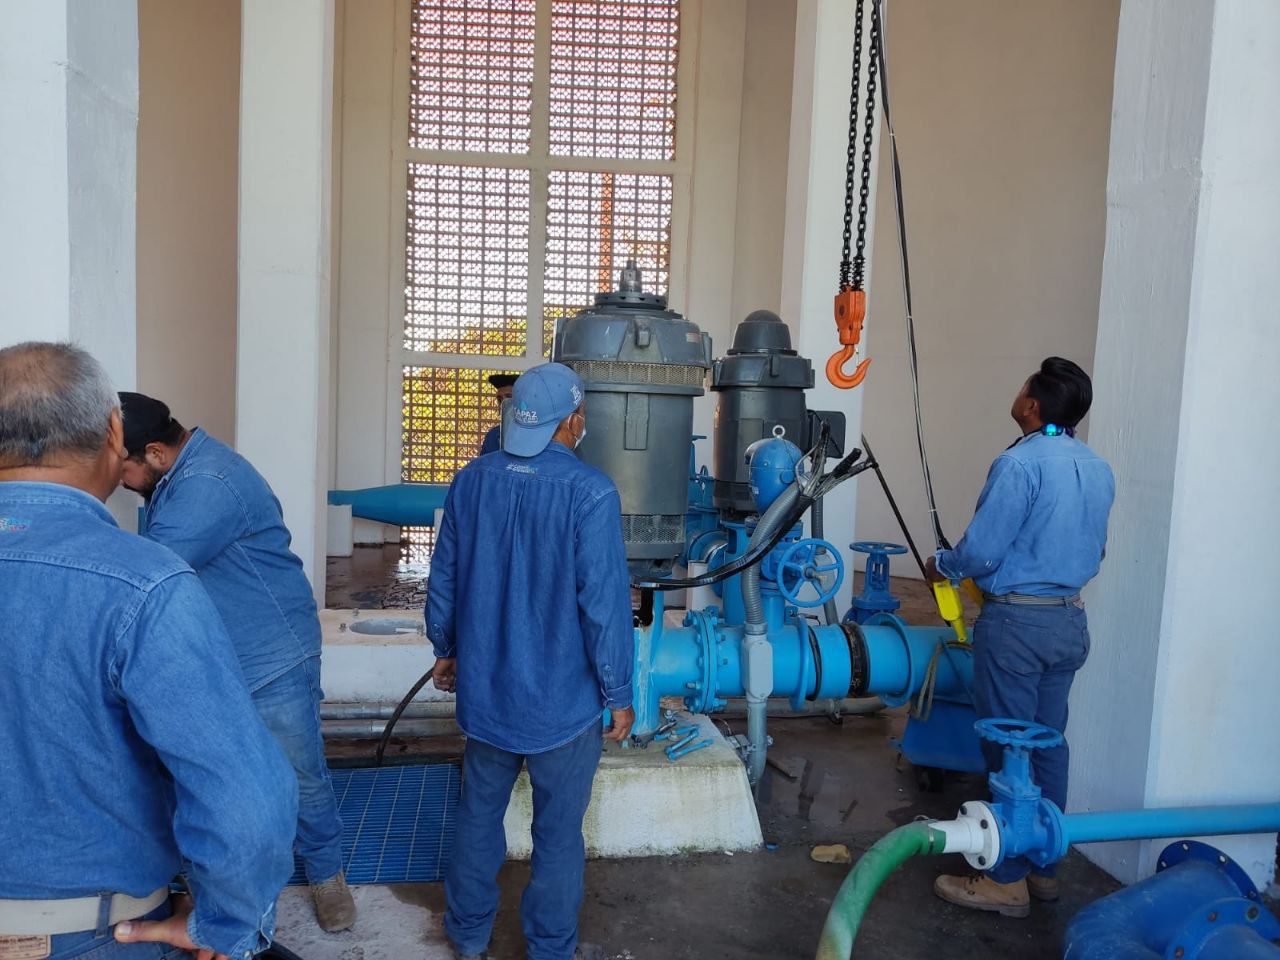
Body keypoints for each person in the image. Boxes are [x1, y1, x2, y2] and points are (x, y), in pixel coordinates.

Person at [0, 341, 297, 959]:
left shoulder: (199, 498)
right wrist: (226, 920)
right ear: (114, 432)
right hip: (97, 932)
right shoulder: (140, 582)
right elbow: (242, 799)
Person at [116, 391, 356, 933]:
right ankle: (219, 886)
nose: (118, 482)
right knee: (215, 782)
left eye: (121, 469)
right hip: (223, 659)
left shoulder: (207, 487)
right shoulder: (176, 476)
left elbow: (148, 569)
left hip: (270, 660)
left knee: (301, 777)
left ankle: (327, 876)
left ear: (154, 452)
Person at [427, 362, 634, 960]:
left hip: (486, 693)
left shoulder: (472, 480)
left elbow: (444, 576)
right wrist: (618, 692)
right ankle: (549, 948)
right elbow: (603, 605)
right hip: (562, 705)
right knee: (557, 836)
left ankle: (467, 936)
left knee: (477, 818)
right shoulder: (591, 492)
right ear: (573, 420)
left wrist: (445, 648)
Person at [926, 357, 1115, 918]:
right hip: (1068, 621)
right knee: (1048, 743)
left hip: (1017, 625)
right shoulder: (1097, 466)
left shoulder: (1019, 465)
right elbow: (1096, 550)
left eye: (1022, 389)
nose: (1017, 395)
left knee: (1010, 745)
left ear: (1031, 406)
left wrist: (944, 565)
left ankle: (1005, 878)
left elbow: (982, 552)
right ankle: (1045, 868)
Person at [478, 373, 519, 456]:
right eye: (500, 400)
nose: (503, 404)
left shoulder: (536, 433)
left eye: (509, 397)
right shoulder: (493, 436)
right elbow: (484, 466)